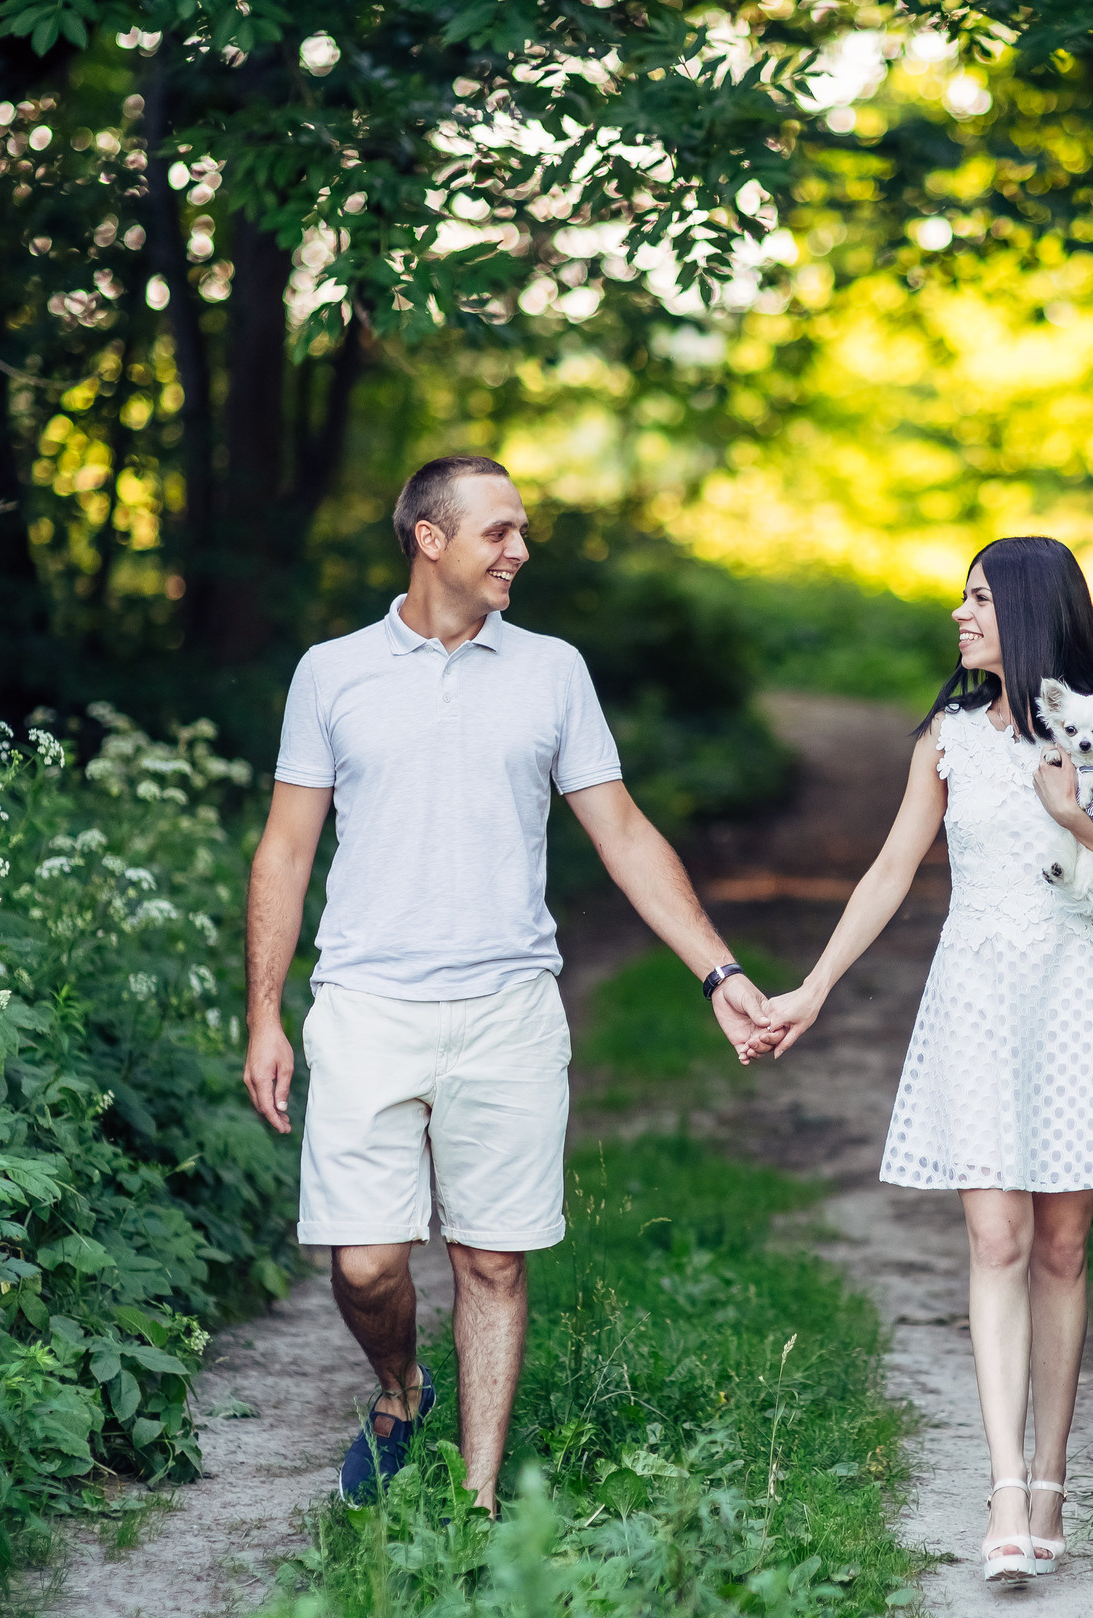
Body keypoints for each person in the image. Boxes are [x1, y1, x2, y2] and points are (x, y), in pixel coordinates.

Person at [240, 454, 775, 1513]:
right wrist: (265, 1011)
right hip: (366, 1004)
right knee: (364, 1265)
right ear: (429, 538)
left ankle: (476, 1503)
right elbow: (285, 849)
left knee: (491, 1261)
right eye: (500, 531)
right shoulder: (331, 672)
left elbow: (622, 832)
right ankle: (402, 1389)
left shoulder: (552, 670)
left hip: (509, 1009)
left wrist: (718, 968)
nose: (520, 550)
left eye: (521, 530)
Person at [756, 536, 1093, 1583]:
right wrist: (813, 986)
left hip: (1078, 993)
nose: (960, 614)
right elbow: (890, 869)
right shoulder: (946, 736)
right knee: (995, 1237)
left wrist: (1073, 812)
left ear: (1031, 611)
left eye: (980, 599)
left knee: (1062, 1248)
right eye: (962, 597)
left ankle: (1051, 1480)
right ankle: (1002, 1487)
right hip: (981, 997)